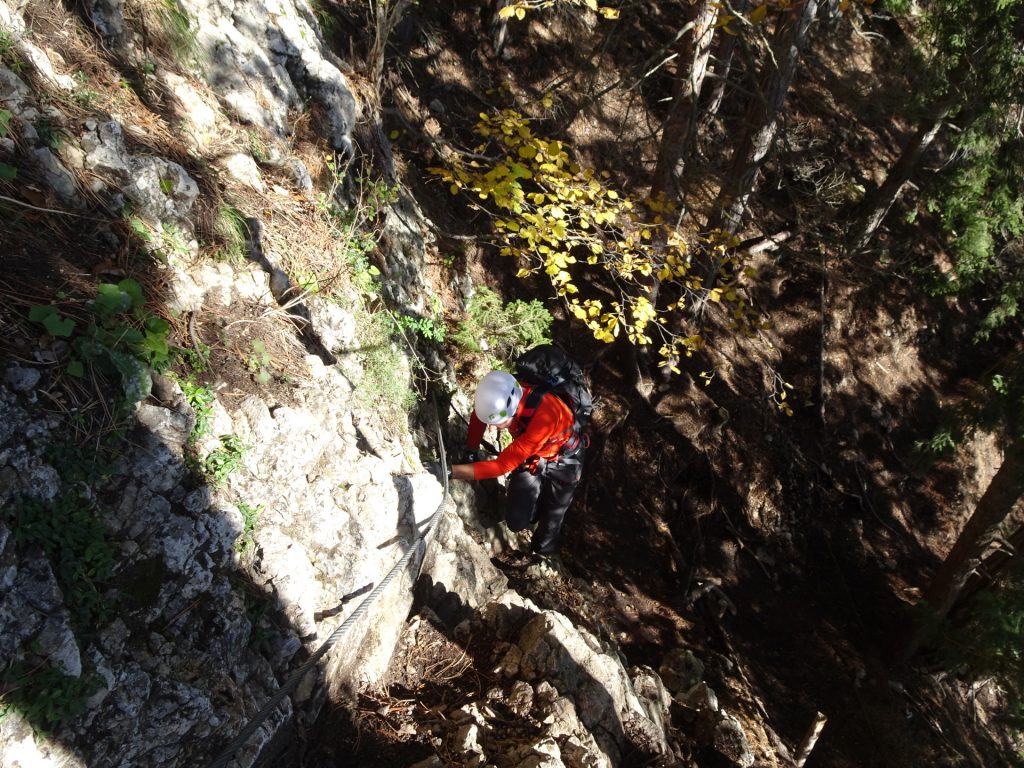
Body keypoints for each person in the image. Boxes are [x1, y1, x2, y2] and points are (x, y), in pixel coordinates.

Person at [449, 370, 586, 556]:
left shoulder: (545, 417)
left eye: (497, 423)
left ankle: (541, 552)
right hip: (534, 458)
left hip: (566, 463)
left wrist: (450, 472)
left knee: (553, 515)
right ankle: (533, 510)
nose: (492, 428)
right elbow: (479, 418)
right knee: (516, 522)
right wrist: (471, 452)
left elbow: (500, 466)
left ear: (512, 412)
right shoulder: (504, 394)